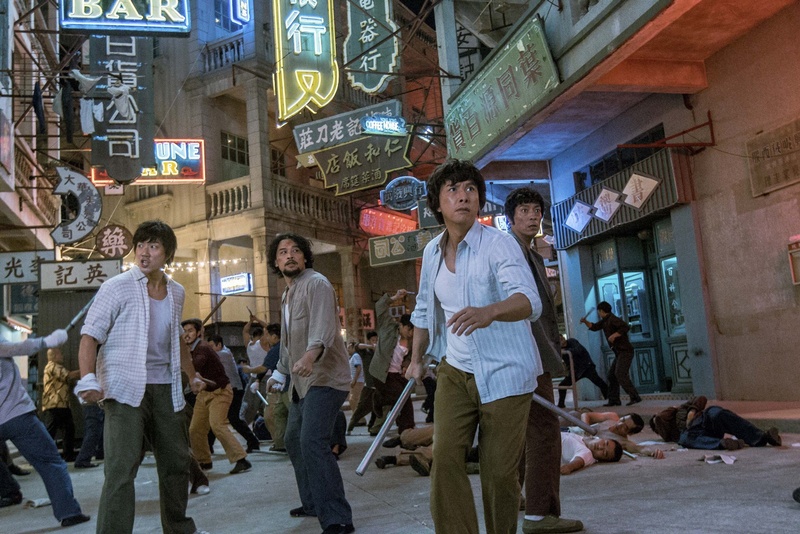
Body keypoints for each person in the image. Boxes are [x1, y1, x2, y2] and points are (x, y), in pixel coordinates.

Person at [405, 159, 544, 534]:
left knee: (498, 473)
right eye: (452, 189)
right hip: (455, 370)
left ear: (480, 199)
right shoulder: (432, 252)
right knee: (445, 460)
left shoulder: (499, 245)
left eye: (470, 189)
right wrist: (416, 359)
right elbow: (423, 309)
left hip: (505, 372)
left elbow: (529, 301)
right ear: (438, 204)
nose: (463, 196)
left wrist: (490, 311)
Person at [75, 220, 206, 534]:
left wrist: (192, 375)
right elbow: (89, 336)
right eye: (140, 245)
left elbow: (177, 341)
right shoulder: (116, 287)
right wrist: (88, 379)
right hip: (124, 388)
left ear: (167, 254)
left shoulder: (176, 292)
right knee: (121, 468)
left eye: (154, 246)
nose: (144, 252)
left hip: (166, 388)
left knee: (176, 463)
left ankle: (179, 528)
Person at [505, 186, 582, 534]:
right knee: (544, 431)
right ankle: (540, 514)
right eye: (524, 210)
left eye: (536, 210)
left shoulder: (531, 253)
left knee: (524, 432)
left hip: (535, 352)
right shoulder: (510, 251)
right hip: (527, 355)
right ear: (511, 217)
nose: (532, 216)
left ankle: (517, 499)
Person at [265, 233, 354, 534]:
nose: (289, 255)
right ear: (276, 262)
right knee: (293, 440)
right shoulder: (287, 294)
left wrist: (310, 355)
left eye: (295, 250)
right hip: (302, 382)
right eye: (282, 252)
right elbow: (288, 343)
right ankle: (314, 502)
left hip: (326, 377)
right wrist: (280, 372)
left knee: (312, 441)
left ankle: (338, 517)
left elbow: (323, 328)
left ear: (305, 257)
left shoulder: (317, 283)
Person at [0, 329, 90, 527]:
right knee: (50, 462)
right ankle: (68, 512)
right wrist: (47, 341)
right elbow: (15, 348)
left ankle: (9, 491)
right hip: (16, 415)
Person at [181, 318, 251, 475]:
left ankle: (241, 459)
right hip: (204, 394)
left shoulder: (202, 348)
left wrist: (184, 358)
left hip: (220, 391)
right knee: (195, 429)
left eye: (190, 331)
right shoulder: (192, 349)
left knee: (217, 425)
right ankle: (204, 462)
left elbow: (195, 365)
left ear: (198, 333)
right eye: (184, 331)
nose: (186, 334)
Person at [370, 290, 415, 436]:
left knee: (406, 397)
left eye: (413, 330)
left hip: (396, 374)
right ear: (401, 325)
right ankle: (379, 398)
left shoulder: (412, 340)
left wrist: (406, 365)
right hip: (381, 373)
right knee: (401, 396)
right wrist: (395, 297)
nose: (410, 333)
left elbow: (409, 357)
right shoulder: (388, 327)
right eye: (408, 329)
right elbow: (380, 306)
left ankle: (407, 431)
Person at [206, 334, 261, 453]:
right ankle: (208, 446)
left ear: (219, 345)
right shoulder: (222, 353)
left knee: (233, 419)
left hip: (235, 390)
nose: (210, 349)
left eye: (211, 346)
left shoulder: (224, 354)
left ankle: (253, 441)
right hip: (227, 390)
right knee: (216, 418)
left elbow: (207, 358)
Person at [580, 301, 641, 406]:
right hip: (619, 352)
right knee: (612, 376)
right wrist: (585, 321)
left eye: (599, 311)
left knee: (620, 374)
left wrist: (615, 335)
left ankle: (635, 396)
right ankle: (614, 400)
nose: (598, 313)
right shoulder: (605, 321)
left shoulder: (613, 319)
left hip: (625, 351)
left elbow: (625, 327)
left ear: (601, 311)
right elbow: (594, 327)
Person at [244, 323, 289, 452]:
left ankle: (285, 444)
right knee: (275, 414)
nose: (265, 338)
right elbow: (267, 366)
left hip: (283, 386)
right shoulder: (276, 348)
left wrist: (249, 370)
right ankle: (281, 444)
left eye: (267, 335)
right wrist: (258, 380)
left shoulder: (277, 349)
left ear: (274, 336)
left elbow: (263, 368)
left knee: (277, 414)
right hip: (278, 385)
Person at [677, 405, 781, 450]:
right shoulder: (672, 427)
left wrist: (692, 410)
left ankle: (762, 437)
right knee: (685, 438)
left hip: (704, 419)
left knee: (717, 413)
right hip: (695, 434)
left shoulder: (680, 408)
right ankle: (723, 444)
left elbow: (701, 399)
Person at [42, 347, 80, 461]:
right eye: (60, 354)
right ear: (54, 356)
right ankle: (43, 456)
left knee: (67, 429)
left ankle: (68, 454)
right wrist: (86, 370)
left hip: (60, 404)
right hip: (55, 404)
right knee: (52, 431)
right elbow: (69, 375)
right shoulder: (53, 366)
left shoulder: (53, 367)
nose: (62, 356)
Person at [579, 412, 666, 458]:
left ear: (630, 433)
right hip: (576, 429)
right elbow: (585, 415)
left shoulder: (622, 442)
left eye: (625, 427)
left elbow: (640, 448)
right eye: (623, 419)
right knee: (573, 413)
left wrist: (653, 452)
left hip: (579, 444)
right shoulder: (612, 416)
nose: (619, 425)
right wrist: (586, 428)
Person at [558, 336, 609, 407]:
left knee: (599, 382)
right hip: (575, 371)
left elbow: (578, 350)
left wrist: (566, 351)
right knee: (562, 385)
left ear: (564, 338)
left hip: (586, 367)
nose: (561, 341)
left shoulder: (572, 341)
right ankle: (561, 404)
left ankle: (610, 398)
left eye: (561, 339)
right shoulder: (560, 350)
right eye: (559, 340)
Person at [346, 331, 378, 433]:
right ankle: (352, 425)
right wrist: (371, 346)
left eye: (376, 340)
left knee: (377, 405)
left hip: (378, 383)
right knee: (362, 406)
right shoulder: (365, 353)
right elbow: (357, 346)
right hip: (369, 384)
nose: (375, 342)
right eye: (373, 340)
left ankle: (373, 426)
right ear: (368, 341)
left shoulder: (378, 353)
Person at [241, 315, 270, 424]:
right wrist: (257, 319)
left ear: (252, 336)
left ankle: (245, 425)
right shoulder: (263, 343)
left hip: (253, 378)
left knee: (248, 405)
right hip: (266, 377)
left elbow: (245, 331)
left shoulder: (248, 344)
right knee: (266, 405)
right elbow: (268, 327)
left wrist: (250, 321)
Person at [559, 432, 623, 475]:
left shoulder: (587, 453)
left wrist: (569, 467)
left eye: (604, 453)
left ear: (601, 460)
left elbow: (579, 461)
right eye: (605, 443)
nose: (600, 447)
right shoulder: (583, 438)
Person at [73, 404, 103, 468]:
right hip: (93, 403)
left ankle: (99, 453)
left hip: (91, 404)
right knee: (93, 431)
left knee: (95, 430)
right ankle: (83, 459)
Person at [347, 340, 364, 415]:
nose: (348, 350)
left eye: (349, 348)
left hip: (357, 381)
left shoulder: (356, 356)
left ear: (353, 348)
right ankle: (357, 417)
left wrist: (354, 380)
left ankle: (358, 417)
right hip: (355, 381)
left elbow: (358, 368)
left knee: (354, 400)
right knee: (353, 400)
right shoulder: (352, 357)